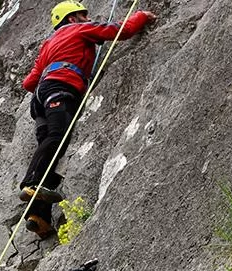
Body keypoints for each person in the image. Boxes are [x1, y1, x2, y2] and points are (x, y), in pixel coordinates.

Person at [19, 1, 157, 237]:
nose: (87, 18)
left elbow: (29, 82)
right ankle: (30, 184)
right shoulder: (78, 29)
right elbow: (119, 30)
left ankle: (38, 216)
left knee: (53, 151)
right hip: (60, 88)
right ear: (72, 19)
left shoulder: (48, 44)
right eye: (83, 15)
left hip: (40, 98)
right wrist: (142, 15)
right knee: (57, 137)